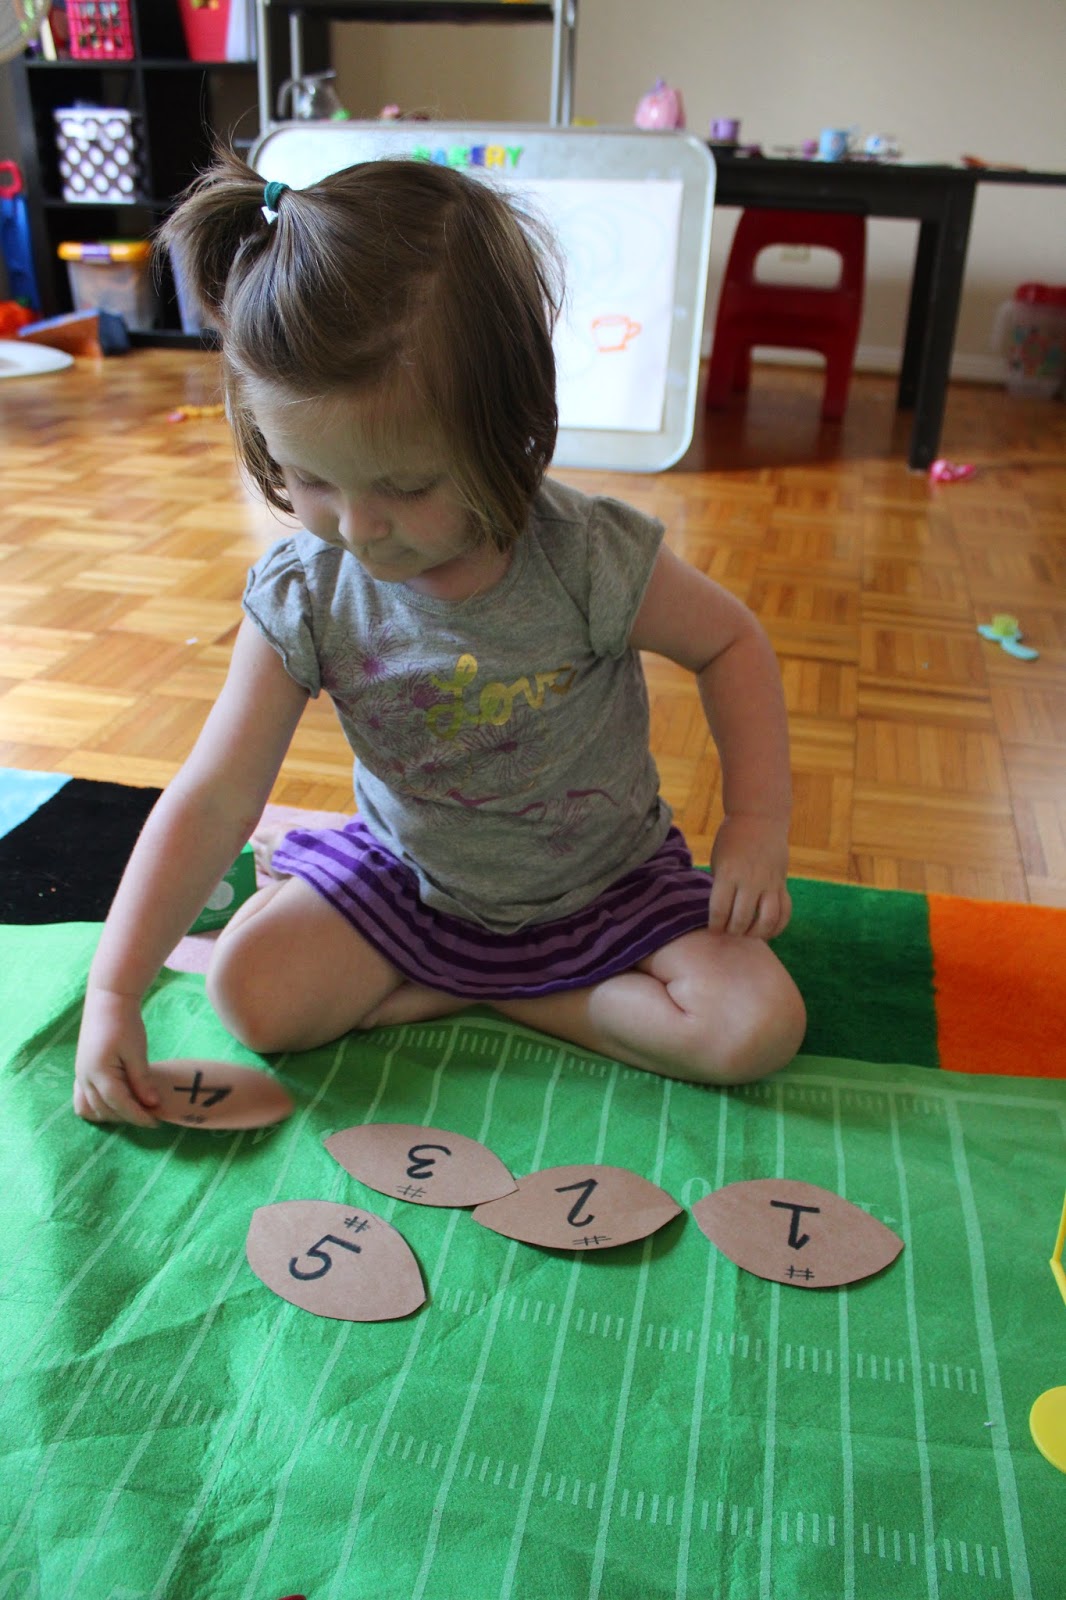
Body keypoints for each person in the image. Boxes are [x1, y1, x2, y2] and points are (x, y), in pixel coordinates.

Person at [73, 148, 806, 1128]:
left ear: (508, 425)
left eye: (406, 485)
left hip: (608, 883)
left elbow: (731, 644)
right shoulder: (306, 590)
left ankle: (478, 987)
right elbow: (213, 794)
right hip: (407, 883)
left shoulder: (586, 556)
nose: (360, 528)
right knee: (247, 993)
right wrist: (113, 990)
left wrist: (755, 824)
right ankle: (503, 980)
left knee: (755, 1025)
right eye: (311, 479)